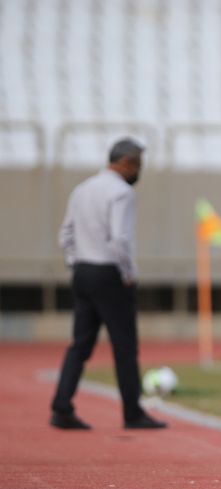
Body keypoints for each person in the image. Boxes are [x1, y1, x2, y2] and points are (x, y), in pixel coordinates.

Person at [50, 138, 166, 431]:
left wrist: (76, 263)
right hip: (109, 273)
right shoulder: (122, 192)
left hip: (83, 271)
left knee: (80, 345)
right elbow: (120, 240)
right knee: (124, 346)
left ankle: (61, 407)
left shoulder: (82, 189)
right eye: (137, 165)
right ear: (126, 162)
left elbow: (65, 235)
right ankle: (132, 413)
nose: (138, 171)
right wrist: (128, 274)